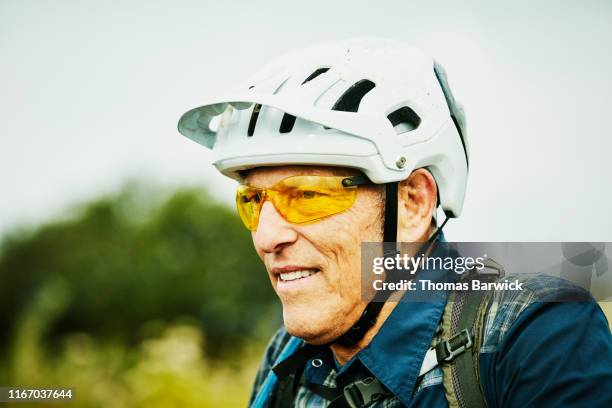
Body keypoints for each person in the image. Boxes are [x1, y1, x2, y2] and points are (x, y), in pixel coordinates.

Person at [177, 39, 612, 407]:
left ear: (412, 202)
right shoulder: (287, 360)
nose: (267, 237)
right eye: (253, 201)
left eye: (306, 195)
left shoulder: (536, 333)